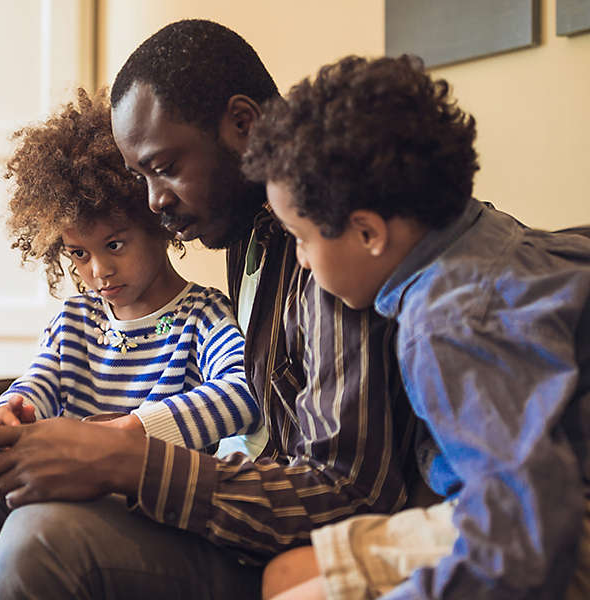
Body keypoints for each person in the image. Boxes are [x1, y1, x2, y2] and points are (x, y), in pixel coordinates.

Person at [0, 21, 415, 599]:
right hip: (237, 503)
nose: (156, 201)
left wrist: (128, 453)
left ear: (242, 125)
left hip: (275, 537)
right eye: (142, 177)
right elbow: (46, 377)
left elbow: (343, 486)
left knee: (39, 535)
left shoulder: (326, 251)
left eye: (165, 166)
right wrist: (19, 412)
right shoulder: (247, 237)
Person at [241, 53, 590, 599]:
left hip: (552, 524)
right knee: (286, 574)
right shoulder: (485, 235)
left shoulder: (448, 325)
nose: (301, 261)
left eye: (302, 238)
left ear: (367, 233)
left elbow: (524, 541)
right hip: (522, 502)